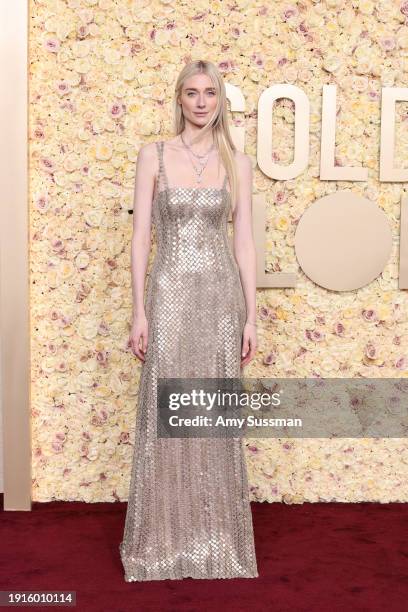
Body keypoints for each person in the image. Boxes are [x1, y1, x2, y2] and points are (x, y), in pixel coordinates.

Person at [119, 59, 259, 581]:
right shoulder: (152, 155)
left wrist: (250, 315)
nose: (201, 102)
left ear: (220, 100)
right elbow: (140, 239)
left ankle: (217, 540)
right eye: (192, 93)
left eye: (210, 94)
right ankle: (163, 543)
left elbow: (243, 241)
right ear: (178, 98)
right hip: (170, 295)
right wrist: (139, 309)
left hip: (221, 299)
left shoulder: (237, 162)